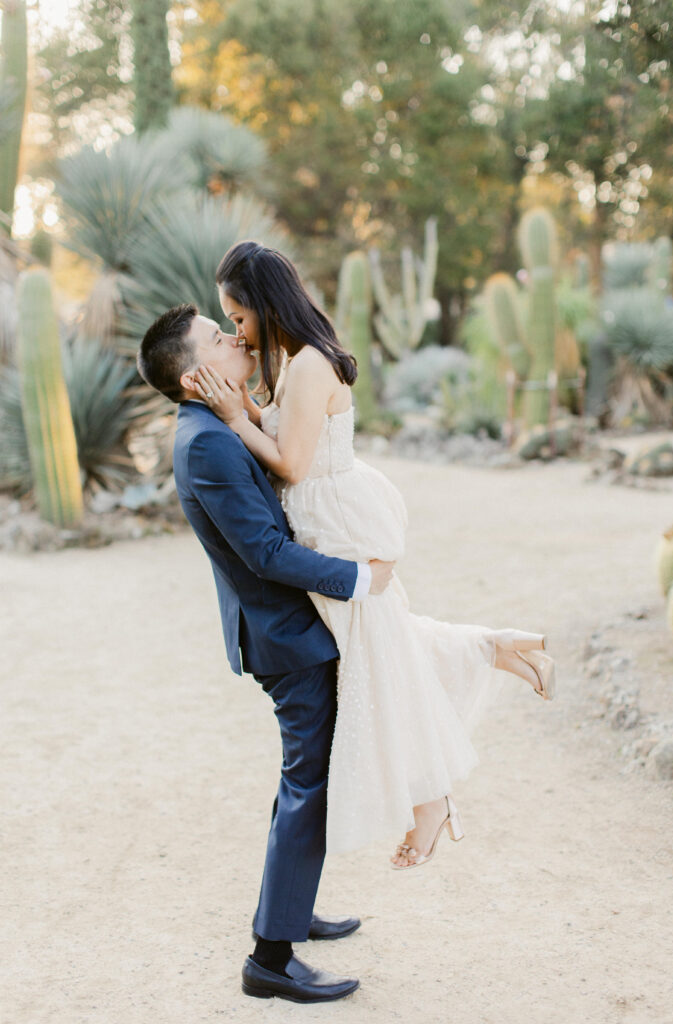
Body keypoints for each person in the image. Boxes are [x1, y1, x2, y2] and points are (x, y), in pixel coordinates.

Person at [193, 240, 556, 871]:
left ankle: (431, 798)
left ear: (264, 305)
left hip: (335, 524)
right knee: (383, 648)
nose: (238, 332)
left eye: (240, 317)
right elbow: (284, 428)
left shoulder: (310, 365)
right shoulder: (297, 360)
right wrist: (246, 407)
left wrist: (235, 418)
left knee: (375, 661)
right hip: (325, 521)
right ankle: (493, 649)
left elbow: (292, 462)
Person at [137, 304, 396, 1003]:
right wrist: (358, 578)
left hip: (287, 631)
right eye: (217, 338)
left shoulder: (214, 427)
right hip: (286, 639)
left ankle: (290, 910)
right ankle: (271, 959)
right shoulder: (207, 444)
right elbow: (265, 552)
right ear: (193, 376)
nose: (234, 338)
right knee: (308, 784)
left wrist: (247, 411)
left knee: (303, 781)